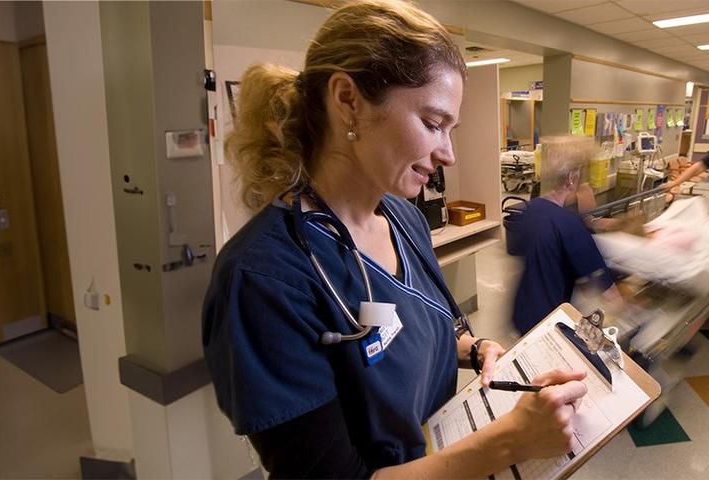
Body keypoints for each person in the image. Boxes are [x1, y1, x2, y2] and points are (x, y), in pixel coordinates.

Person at [202, 1, 588, 477]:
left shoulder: (404, 218)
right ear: (348, 100)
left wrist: (477, 349)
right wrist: (509, 441)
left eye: (451, 129)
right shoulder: (264, 280)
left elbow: (432, 324)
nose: (447, 153)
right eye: (431, 123)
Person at [511, 135, 624, 335]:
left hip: (522, 313)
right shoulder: (570, 227)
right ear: (572, 178)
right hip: (547, 323)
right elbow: (605, 292)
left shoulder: (530, 210)